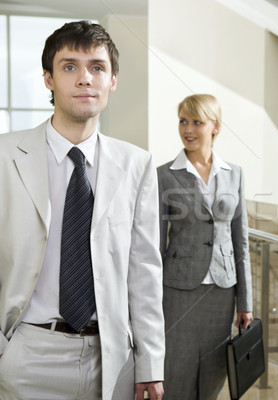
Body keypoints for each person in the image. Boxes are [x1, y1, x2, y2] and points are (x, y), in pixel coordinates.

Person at [0, 21, 164, 400]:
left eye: (97, 67)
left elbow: (144, 273)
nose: (85, 79)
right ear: (48, 79)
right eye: (69, 66)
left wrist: (151, 365)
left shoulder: (137, 165)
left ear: (113, 81)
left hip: (111, 362)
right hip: (26, 355)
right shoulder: (6, 156)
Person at [158, 94, 253, 399]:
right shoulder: (164, 174)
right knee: (175, 372)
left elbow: (241, 240)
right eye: (183, 121)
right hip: (177, 290)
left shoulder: (233, 173)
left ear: (215, 127)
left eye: (197, 122)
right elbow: (155, 244)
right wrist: (149, 300)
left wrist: (245, 302)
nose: (188, 129)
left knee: (213, 375)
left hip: (222, 290)